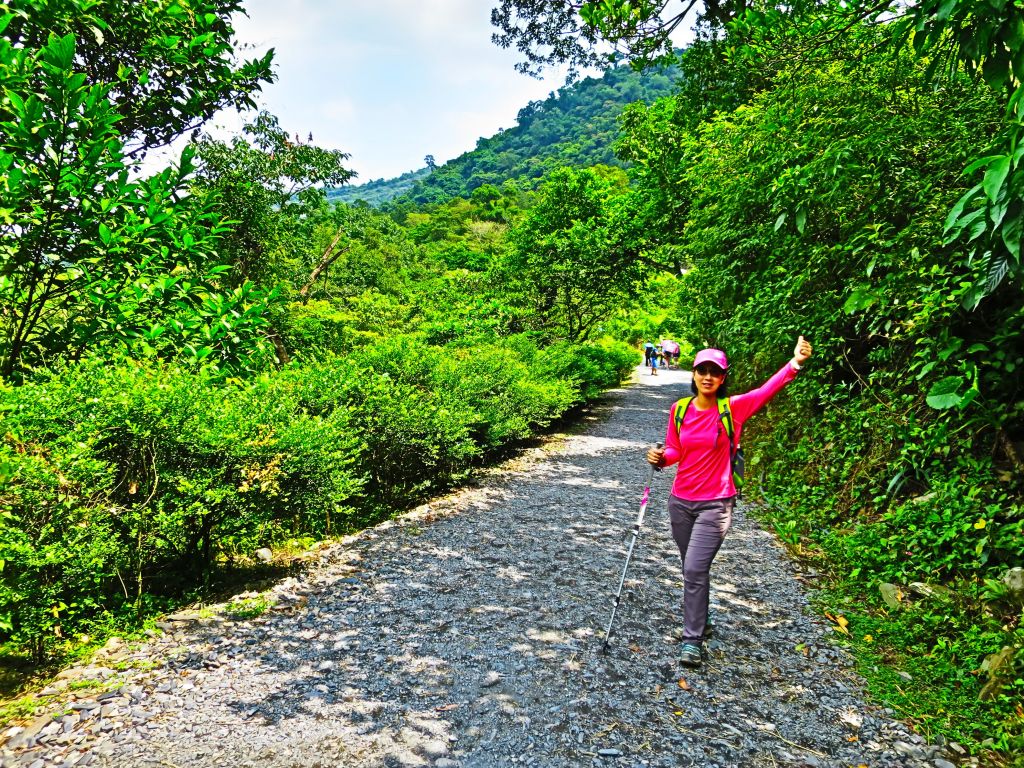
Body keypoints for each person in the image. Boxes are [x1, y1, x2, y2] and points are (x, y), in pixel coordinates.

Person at [646, 336, 813, 668]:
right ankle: (702, 619)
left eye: (715, 372)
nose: (708, 377)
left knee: (694, 568)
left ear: (723, 377)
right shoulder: (679, 410)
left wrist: (795, 363)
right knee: (692, 569)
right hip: (680, 501)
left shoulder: (732, 408)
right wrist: (660, 458)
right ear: (693, 374)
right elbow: (676, 450)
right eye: (702, 370)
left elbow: (766, 390)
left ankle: (692, 640)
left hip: (716, 504)